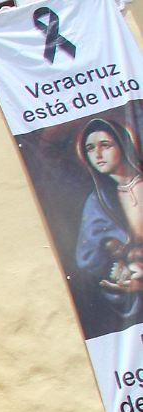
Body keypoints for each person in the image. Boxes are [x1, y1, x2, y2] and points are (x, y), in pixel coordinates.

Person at [74, 117, 143, 329]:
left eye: (105, 145)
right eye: (90, 148)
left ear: (122, 145)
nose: (97, 155)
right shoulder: (97, 202)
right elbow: (87, 258)